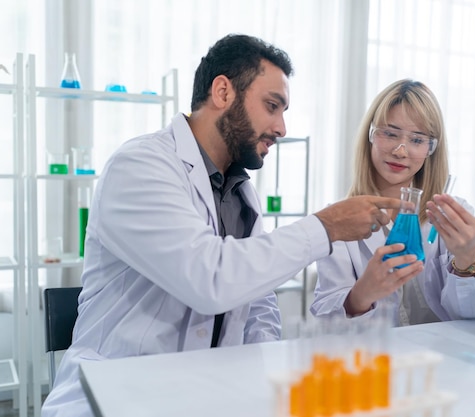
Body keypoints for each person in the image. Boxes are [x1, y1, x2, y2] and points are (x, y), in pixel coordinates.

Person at [41, 34, 402, 417]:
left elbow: (258, 304)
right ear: (223, 92)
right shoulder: (140, 166)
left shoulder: (240, 191)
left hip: (205, 395)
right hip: (116, 395)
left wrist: (258, 383)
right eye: (272, 106)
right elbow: (209, 278)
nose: (281, 127)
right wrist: (325, 227)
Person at [310, 79, 475, 326]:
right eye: (390, 134)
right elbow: (325, 324)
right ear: (371, 135)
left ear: (432, 149)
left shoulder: (452, 214)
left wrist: (468, 260)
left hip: (442, 359)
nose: (401, 151)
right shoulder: (338, 219)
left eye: (417, 140)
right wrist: (361, 295)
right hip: (372, 360)